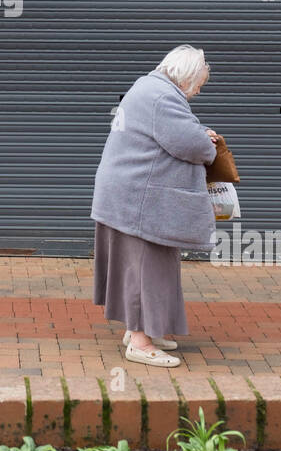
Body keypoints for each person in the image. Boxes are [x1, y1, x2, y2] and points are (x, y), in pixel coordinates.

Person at [90, 45, 218, 367]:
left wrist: (198, 133)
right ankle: (139, 341)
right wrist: (207, 143)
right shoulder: (163, 96)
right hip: (137, 200)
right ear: (186, 77)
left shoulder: (149, 87)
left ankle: (144, 328)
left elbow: (169, 134)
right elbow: (189, 144)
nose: (197, 92)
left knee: (146, 266)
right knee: (144, 267)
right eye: (198, 85)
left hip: (129, 195)